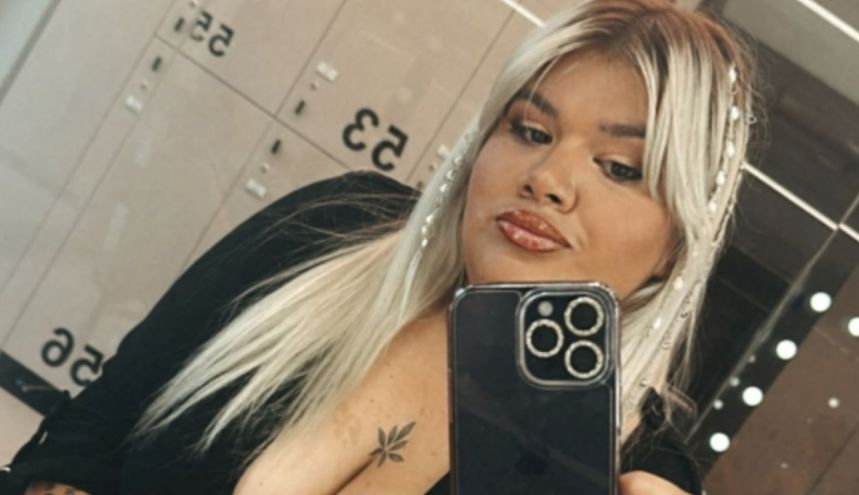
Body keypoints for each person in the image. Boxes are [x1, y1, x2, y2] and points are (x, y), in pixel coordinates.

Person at [2, 0, 756, 493]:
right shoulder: (328, 229)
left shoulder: (635, 466)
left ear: (675, 245)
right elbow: (92, 428)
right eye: (529, 129)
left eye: (618, 167)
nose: (547, 179)